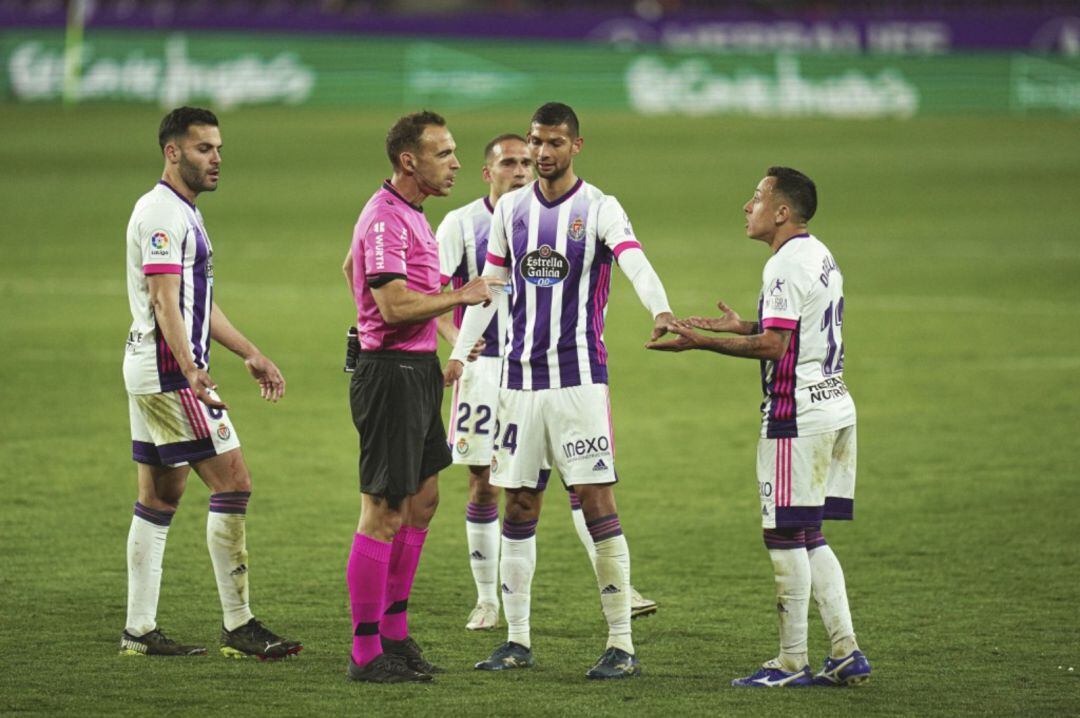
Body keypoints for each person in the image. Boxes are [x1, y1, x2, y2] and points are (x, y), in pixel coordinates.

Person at [446, 103, 674, 679]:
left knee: (597, 502)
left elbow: (635, 263)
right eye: (534, 142)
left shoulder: (599, 207)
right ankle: (517, 640)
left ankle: (621, 644)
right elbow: (491, 286)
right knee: (519, 503)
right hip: (517, 385)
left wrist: (662, 309)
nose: (541, 153)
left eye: (552, 143)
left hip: (578, 383)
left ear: (576, 146)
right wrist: (457, 352)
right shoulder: (513, 209)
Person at [646, 167, 871, 688]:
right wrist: (743, 325)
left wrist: (700, 343)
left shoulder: (783, 266)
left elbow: (775, 347)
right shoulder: (819, 254)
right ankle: (845, 650)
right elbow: (788, 328)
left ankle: (792, 662)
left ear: (782, 212)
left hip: (797, 418)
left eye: (757, 198)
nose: (747, 207)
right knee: (809, 532)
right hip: (835, 405)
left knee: (783, 533)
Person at [120, 106, 301, 659]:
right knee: (234, 483)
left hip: (156, 368)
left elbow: (198, 302)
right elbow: (164, 299)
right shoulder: (161, 215)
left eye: (219, 148)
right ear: (173, 152)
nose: (217, 159)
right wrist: (192, 366)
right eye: (204, 149)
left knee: (160, 495)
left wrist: (250, 352)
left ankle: (139, 631)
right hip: (172, 373)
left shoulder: (181, 212)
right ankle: (239, 626)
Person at [343, 110, 502, 684]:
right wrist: (461, 295)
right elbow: (391, 306)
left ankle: (394, 630)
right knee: (383, 510)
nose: (457, 163)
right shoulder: (388, 221)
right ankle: (365, 653)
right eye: (444, 153)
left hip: (416, 370)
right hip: (390, 375)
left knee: (426, 495)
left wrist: (446, 330)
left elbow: (349, 268)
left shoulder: (409, 215)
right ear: (409, 161)